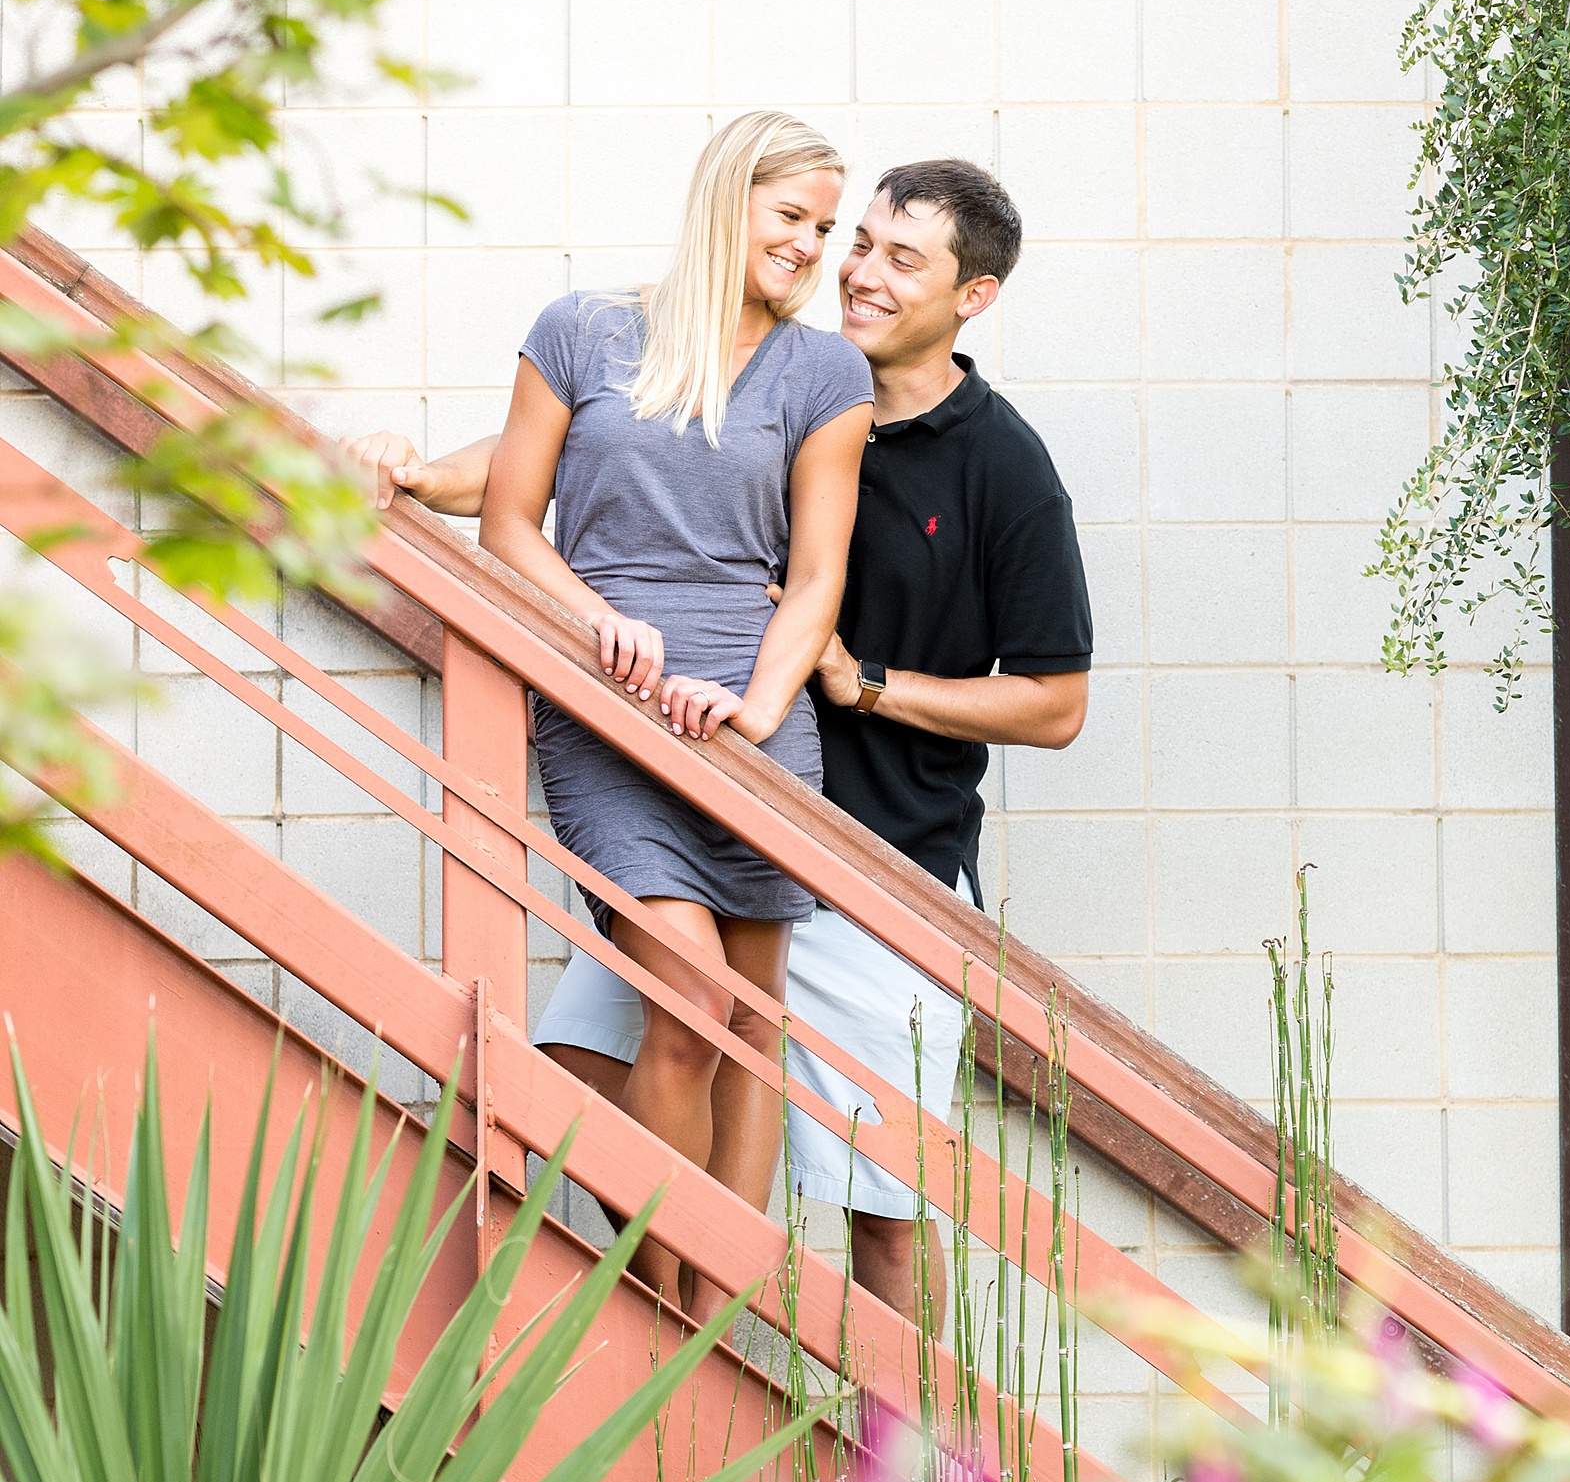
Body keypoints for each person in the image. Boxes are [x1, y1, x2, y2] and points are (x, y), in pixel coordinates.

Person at [348, 159, 1091, 1328]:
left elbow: (1054, 704)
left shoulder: (996, 464)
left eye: (901, 258)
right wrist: (411, 471)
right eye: (860, 241)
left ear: (971, 297)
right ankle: (679, 1324)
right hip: (687, 784)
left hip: (877, 856)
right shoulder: (766, 370)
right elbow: (577, 448)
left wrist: (867, 685)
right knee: (587, 1070)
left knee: (885, 1219)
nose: (855, 267)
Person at [439, 110, 873, 1319]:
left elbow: (819, 571)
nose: (810, 246)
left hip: (749, 721)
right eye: (791, 217)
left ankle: (714, 1324)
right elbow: (509, 523)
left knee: (751, 1027)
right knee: (686, 1009)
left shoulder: (825, 371)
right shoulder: (580, 333)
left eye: (825, 226)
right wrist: (592, 622)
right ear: (726, 200)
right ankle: (661, 1306)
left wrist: (756, 704)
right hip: (608, 711)